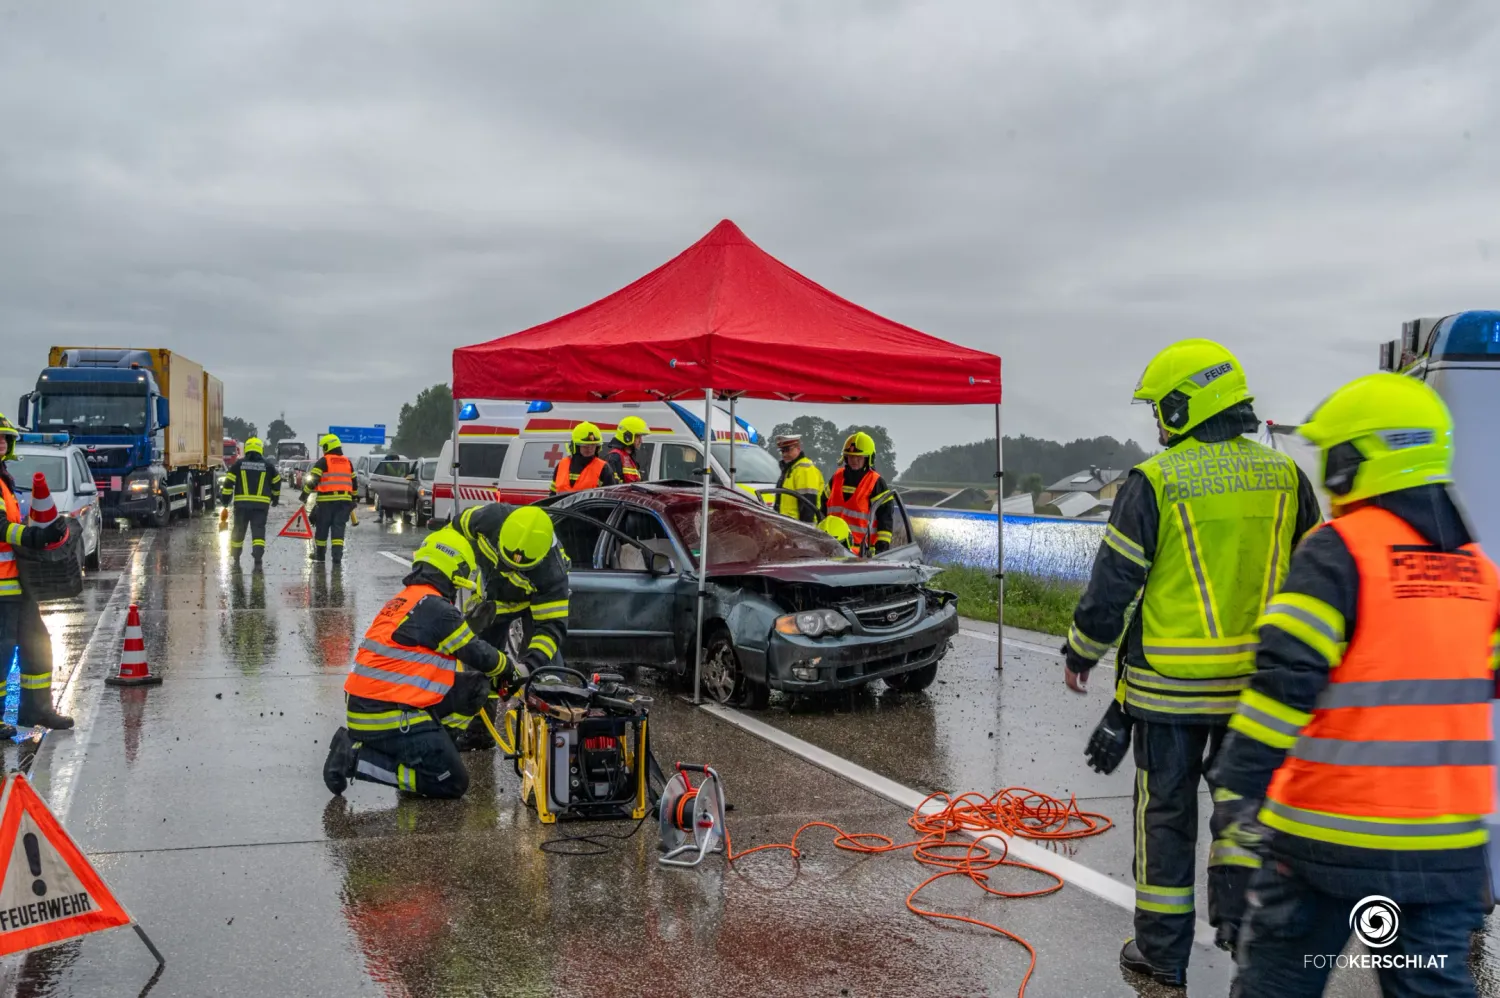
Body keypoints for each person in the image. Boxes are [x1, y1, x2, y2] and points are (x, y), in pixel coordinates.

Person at [1210, 374, 1499, 997]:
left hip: (1327, 841)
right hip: (1446, 848)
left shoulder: (1338, 552)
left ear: (1354, 462)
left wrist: (1238, 794)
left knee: (1279, 984)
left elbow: (1280, 688)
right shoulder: (1481, 573)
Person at [1062, 339, 1321, 985]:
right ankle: (1252, 946)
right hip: (1258, 693)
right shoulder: (1288, 477)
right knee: (1247, 818)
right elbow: (1318, 577)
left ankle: (1161, 953)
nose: (1155, 422)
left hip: (1169, 693)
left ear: (1184, 405)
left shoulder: (1156, 480)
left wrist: (1083, 650)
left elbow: (1114, 583)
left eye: (1159, 408)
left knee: (1166, 821)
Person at [322, 527, 523, 799]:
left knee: (476, 686)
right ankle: (354, 758)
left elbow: (440, 643)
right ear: (454, 571)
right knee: (452, 783)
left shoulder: (412, 598)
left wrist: (470, 632)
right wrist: (509, 670)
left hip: (376, 704)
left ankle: (434, 754)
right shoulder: (435, 608)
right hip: (383, 715)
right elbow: (478, 653)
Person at [451, 503, 571, 748]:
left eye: (516, 567)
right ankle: (478, 734)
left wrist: (528, 667)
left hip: (531, 606)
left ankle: (557, 737)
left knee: (547, 671)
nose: (506, 567)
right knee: (478, 659)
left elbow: (550, 628)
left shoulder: (553, 575)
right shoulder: (488, 517)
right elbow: (453, 532)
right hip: (492, 601)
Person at [0, 413, 73, 734]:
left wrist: (46, 528)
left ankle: (36, 710)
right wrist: (32, 536)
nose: (2, 443)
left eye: (5, 438)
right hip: (2, 589)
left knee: (37, 647)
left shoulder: (5, 480)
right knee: (1, 653)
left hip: (18, 584)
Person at [822, 432, 894, 555]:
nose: (854, 460)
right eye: (850, 456)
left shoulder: (876, 482)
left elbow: (885, 518)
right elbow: (821, 509)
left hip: (862, 553)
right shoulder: (836, 478)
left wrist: (882, 547)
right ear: (845, 457)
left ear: (868, 458)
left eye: (859, 457)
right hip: (830, 549)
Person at [219, 436, 280, 567]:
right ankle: (258, 556)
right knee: (258, 531)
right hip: (261, 506)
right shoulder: (268, 466)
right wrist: (275, 498)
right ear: (260, 449)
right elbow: (276, 482)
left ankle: (235, 555)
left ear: (246, 449)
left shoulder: (238, 464)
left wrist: (225, 500)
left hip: (242, 506)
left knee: (239, 530)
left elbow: (228, 483)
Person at [301, 433, 356, 564]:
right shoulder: (347, 461)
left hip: (326, 502)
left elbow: (313, 480)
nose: (323, 450)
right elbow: (354, 482)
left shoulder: (324, 461)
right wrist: (353, 499)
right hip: (344, 503)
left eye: (324, 447)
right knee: (338, 529)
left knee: (322, 528)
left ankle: (320, 555)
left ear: (328, 446)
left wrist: (304, 495)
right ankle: (337, 558)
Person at [551, 422, 619, 494]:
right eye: (585, 446)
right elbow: (552, 493)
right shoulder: (562, 465)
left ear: (597, 447)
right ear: (576, 446)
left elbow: (610, 496)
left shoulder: (604, 468)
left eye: (593, 446)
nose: (589, 449)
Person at [775, 433, 825, 523]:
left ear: (798, 448)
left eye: (787, 450)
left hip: (800, 528)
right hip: (789, 526)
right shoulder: (791, 469)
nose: (784, 454)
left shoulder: (804, 469)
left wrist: (805, 532)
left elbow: (808, 506)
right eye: (782, 451)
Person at [603, 416, 650, 484]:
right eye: (637, 436)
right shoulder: (614, 458)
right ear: (627, 436)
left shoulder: (630, 457)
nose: (641, 441)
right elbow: (612, 487)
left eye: (641, 437)